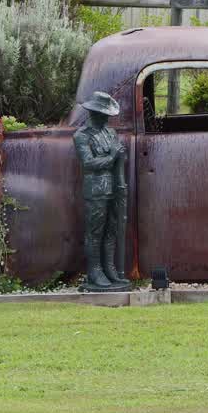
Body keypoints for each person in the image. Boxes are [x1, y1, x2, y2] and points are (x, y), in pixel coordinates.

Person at [73, 91, 130, 291]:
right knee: (95, 232)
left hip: (115, 187)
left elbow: (116, 157)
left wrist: (120, 157)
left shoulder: (110, 133)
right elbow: (88, 163)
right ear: (94, 112)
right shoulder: (81, 135)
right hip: (96, 190)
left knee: (111, 230)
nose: (107, 118)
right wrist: (113, 157)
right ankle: (95, 271)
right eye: (104, 114)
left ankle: (110, 268)